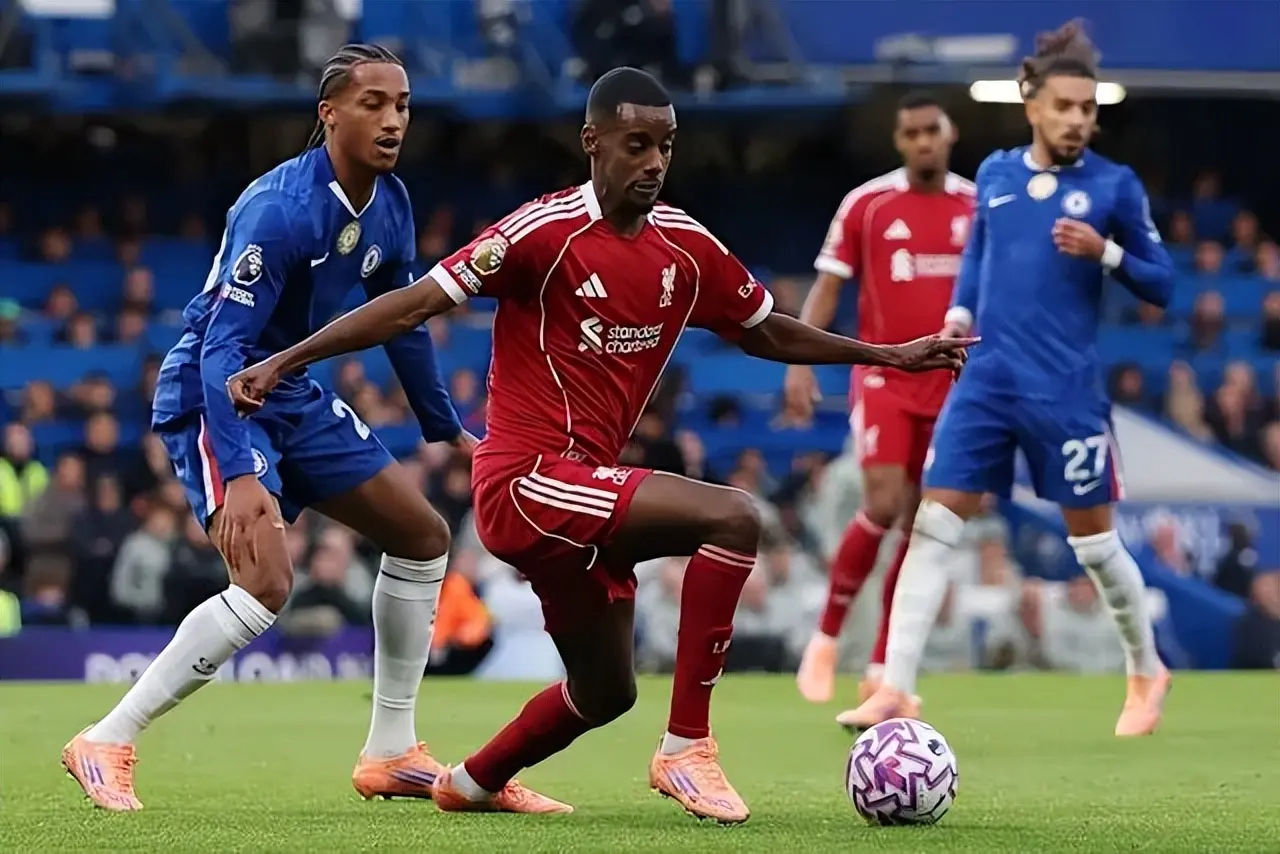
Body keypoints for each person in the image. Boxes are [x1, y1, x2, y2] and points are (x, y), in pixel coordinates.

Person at [227, 66, 974, 824]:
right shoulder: (541, 233)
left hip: (586, 491)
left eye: (666, 147)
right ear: (593, 142)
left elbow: (767, 331)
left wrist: (886, 356)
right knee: (733, 518)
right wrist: (285, 360)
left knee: (606, 690)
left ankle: (472, 782)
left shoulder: (686, 247)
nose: (654, 162)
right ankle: (687, 748)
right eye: (636, 144)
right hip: (524, 482)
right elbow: (411, 305)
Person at [62, 44, 473, 812]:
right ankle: (106, 738)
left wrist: (444, 428)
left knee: (422, 536)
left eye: (403, 105)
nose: (393, 121)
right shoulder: (280, 209)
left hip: (289, 389)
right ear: (330, 114)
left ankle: (391, 750)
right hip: (215, 390)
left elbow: (404, 316)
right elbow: (222, 350)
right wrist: (240, 472)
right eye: (374, 104)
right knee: (266, 583)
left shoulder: (391, 202)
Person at [842, 21, 1174, 736]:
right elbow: (979, 255)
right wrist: (959, 314)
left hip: (1065, 391)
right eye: (1065, 107)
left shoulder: (1114, 186)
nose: (1077, 120)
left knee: (1094, 546)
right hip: (987, 380)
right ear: (1033, 106)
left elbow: (1164, 283)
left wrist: (1106, 252)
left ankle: (1146, 670)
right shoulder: (995, 174)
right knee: (933, 525)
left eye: (1087, 109)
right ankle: (896, 687)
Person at [785, 92, 975, 711]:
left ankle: (883, 670)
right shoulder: (867, 204)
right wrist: (800, 360)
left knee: (922, 526)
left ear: (949, 133)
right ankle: (825, 640)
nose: (923, 142)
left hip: (952, 385)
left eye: (931, 130)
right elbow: (828, 286)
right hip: (885, 376)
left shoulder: (978, 207)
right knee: (884, 504)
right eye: (911, 133)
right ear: (900, 141)